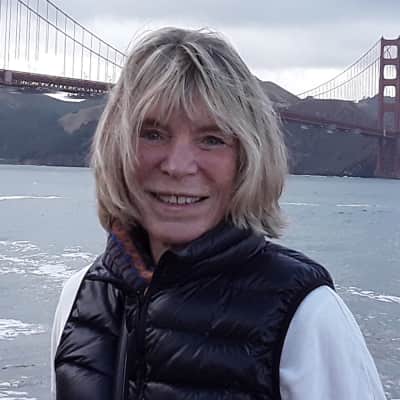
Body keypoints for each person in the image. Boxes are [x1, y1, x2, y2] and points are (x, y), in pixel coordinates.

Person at [50, 27, 386, 400]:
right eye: (153, 134)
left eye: (212, 139)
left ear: (248, 159)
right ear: (116, 147)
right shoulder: (79, 297)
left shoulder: (307, 317)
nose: (178, 166)